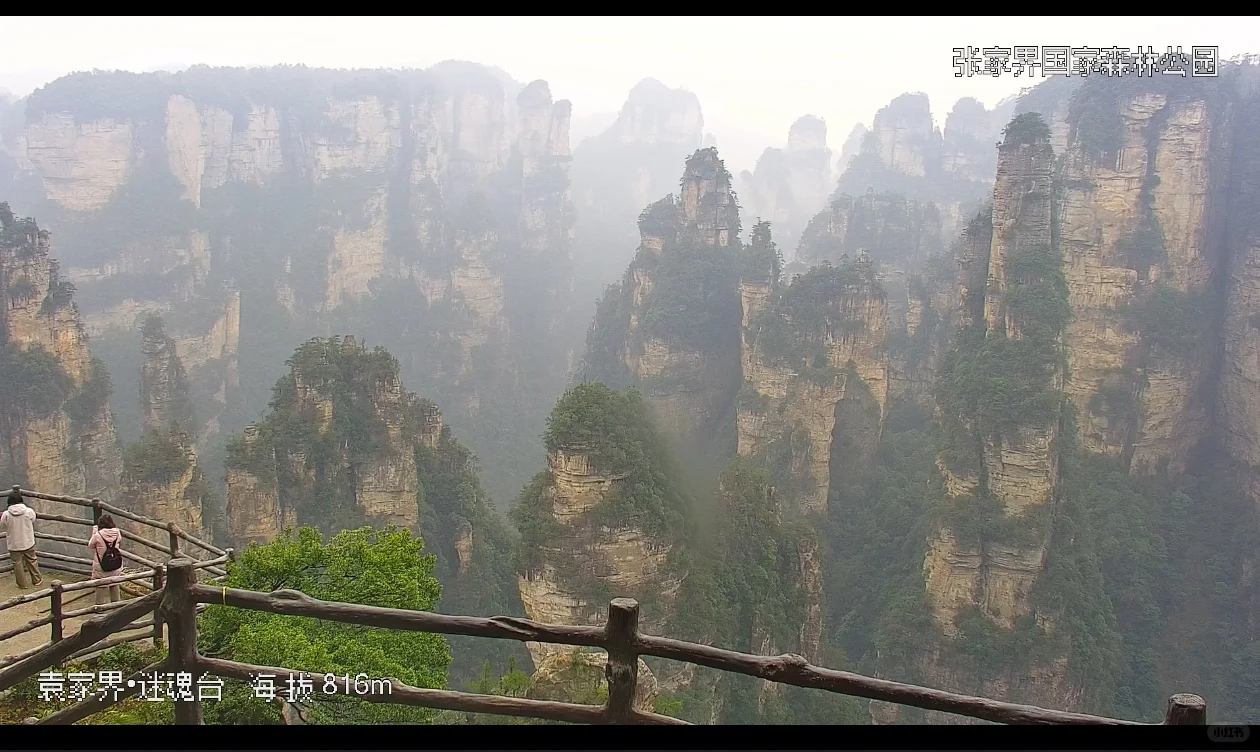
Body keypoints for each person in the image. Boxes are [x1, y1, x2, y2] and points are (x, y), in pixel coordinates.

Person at [1, 492, 42, 589]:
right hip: (28, 541)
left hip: (14, 543)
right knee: (32, 560)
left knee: (17, 564)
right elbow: (33, 520)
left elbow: (2, 525)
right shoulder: (29, 511)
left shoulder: (6, 514)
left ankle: (22, 584)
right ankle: (37, 580)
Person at [88, 514, 124, 604]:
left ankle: (99, 609)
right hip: (115, 563)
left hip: (102, 565)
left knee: (100, 586)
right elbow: (119, 541)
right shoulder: (117, 532)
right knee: (114, 584)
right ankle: (116, 606)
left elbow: (91, 545)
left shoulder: (98, 535)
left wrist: (95, 532)